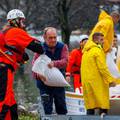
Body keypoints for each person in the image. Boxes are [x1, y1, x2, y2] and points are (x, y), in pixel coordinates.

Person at [0, 9, 44, 120]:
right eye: (22, 21)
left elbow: (12, 49)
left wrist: (21, 54)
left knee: (11, 103)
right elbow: (37, 47)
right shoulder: (15, 31)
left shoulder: (6, 32)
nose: (23, 24)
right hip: (4, 69)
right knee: (3, 101)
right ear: (16, 21)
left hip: (6, 69)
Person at [81, 32, 120, 116]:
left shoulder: (86, 51)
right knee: (103, 105)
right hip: (97, 83)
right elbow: (103, 68)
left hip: (87, 83)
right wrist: (111, 80)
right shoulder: (98, 51)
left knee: (90, 107)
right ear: (96, 40)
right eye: (101, 40)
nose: (103, 41)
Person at [32, 27, 68, 114]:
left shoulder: (63, 46)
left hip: (59, 83)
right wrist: (38, 75)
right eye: (50, 38)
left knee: (61, 107)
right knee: (47, 108)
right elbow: (34, 67)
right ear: (44, 38)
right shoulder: (39, 48)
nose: (53, 40)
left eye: (55, 37)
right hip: (44, 85)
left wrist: (54, 63)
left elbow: (65, 61)